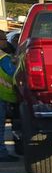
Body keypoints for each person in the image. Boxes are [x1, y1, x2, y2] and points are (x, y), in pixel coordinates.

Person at [0, 33, 19, 161]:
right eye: (3, 39)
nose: (6, 42)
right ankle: (2, 154)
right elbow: (13, 73)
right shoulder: (3, 57)